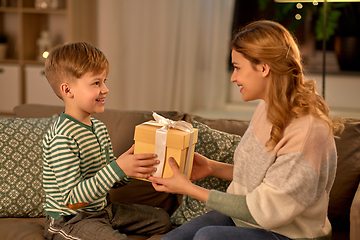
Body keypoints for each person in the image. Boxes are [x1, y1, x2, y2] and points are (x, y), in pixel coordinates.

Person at [149, 20, 344, 240]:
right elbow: (262, 180)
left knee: (208, 238)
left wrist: (189, 189)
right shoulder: (268, 107)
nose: (233, 77)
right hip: (249, 222)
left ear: (263, 67)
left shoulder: (307, 130)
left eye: (237, 67)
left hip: (291, 235)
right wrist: (212, 167)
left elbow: (268, 211)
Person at [42, 42, 172, 240]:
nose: (106, 89)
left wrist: (135, 167)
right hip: (70, 219)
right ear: (67, 90)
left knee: (162, 219)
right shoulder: (63, 136)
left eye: (104, 81)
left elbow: (111, 179)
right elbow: (71, 200)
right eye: (96, 83)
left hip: (102, 210)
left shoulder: (99, 129)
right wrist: (118, 168)